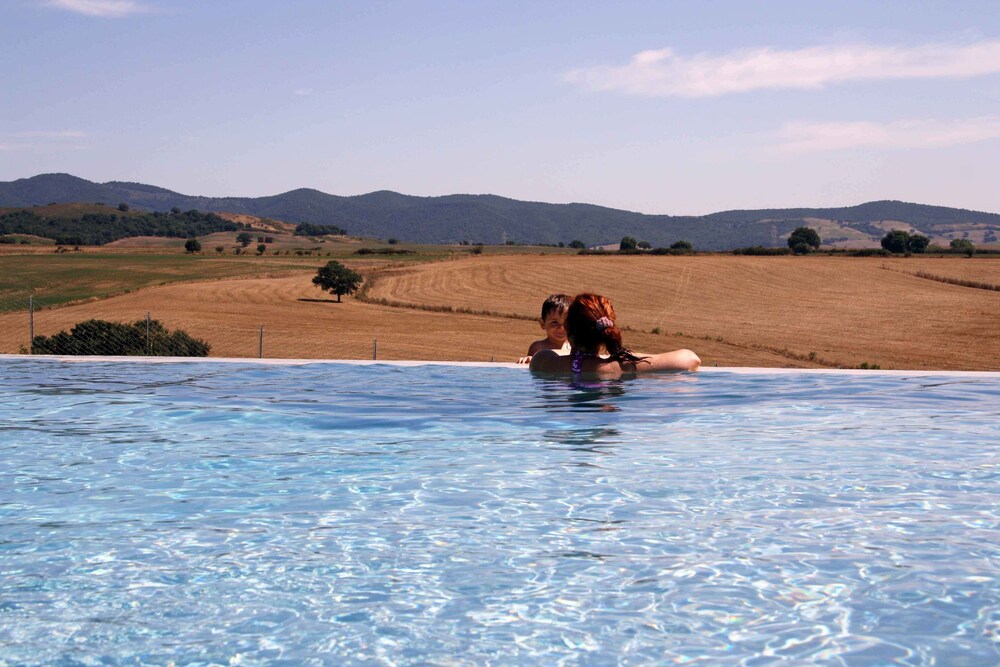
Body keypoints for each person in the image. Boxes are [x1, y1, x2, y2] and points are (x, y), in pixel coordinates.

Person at [529, 293, 700, 376]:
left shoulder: (543, 361)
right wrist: (630, 357)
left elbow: (552, 355)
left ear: (568, 328)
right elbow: (691, 359)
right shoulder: (621, 367)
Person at [516, 293, 571, 363]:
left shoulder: (576, 347)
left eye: (567, 323)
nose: (561, 328)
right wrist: (528, 359)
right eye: (554, 323)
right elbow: (530, 369)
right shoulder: (538, 347)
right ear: (543, 323)